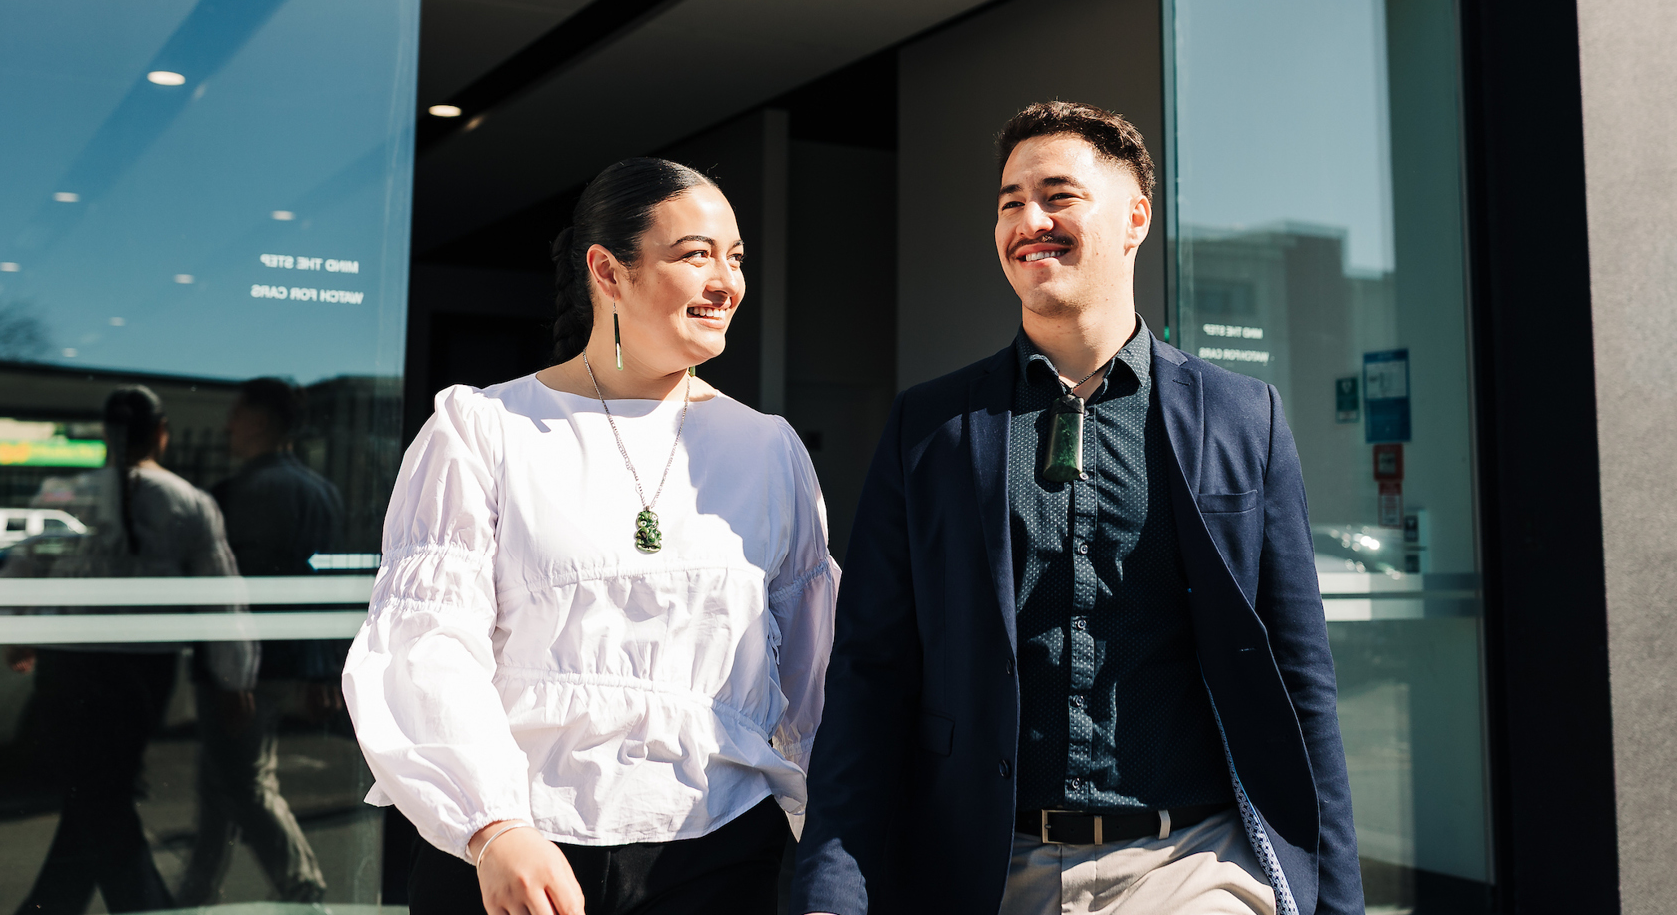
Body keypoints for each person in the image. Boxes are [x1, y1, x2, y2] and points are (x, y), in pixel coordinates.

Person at [793, 102, 1363, 915]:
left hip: (1194, 864)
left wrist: (1337, 900)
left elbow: (1299, 679)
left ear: (1134, 220)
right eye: (1008, 202)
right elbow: (870, 676)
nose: (1029, 221)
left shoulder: (1243, 418)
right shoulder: (934, 428)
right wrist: (831, 891)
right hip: (986, 869)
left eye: (1057, 195)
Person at [344, 157, 840, 915]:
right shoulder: (483, 431)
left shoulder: (768, 449)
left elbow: (810, 669)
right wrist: (491, 824)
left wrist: (828, 845)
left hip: (720, 852)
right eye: (695, 254)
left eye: (735, 258)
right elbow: (425, 644)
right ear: (608, 271)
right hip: (517, 855)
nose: (727, 282)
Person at [6, 385, 257, 915]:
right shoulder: (189, 502)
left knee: (95, 796)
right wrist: (234, 679)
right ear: (160, 433)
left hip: (66, 664)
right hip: (142, 671)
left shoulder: (66, 494)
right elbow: (223, 598)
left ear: (105, 433)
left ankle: (50, 907)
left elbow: (22, 570)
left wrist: (16, 630)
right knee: (102, 796)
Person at [178, 377, 338, 905]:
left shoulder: (234, 495)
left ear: (263, 421)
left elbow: (224, 595)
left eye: (237, 415)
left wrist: (230, 674)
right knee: (220, 783)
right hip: (288, 659)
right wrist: (319, 670)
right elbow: (321, 592)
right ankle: (196, 890)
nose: (227, 426)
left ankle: (304, 891)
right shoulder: (321, 494)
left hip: (237, 670)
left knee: (243, 784)